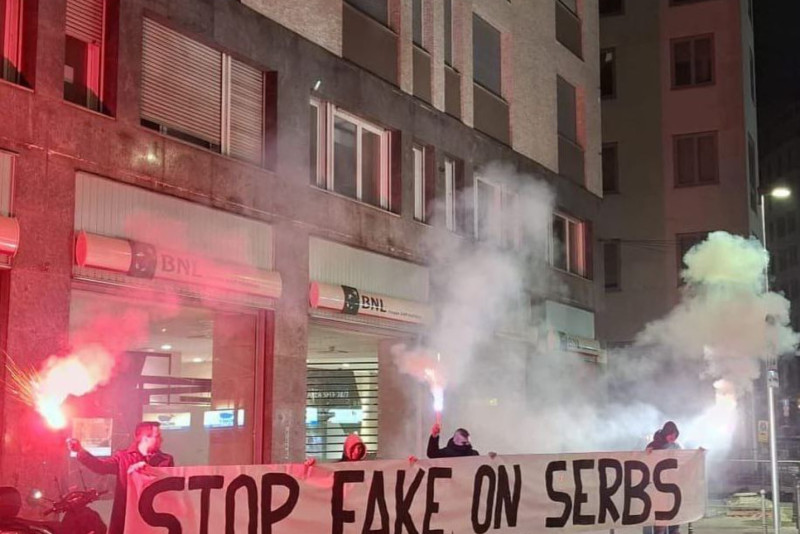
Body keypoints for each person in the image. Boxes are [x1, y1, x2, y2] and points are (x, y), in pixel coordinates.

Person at [67, 421, 174, 534]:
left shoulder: (166, 460)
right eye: (157, 436)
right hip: (126, 514)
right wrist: (80, 451)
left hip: (153, 516)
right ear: (144, 438)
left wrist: (146, 470)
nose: (161, 439)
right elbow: (101, 467)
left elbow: (167, 487)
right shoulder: (123, 457)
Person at [644, 421, 681, 534]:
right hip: (656, 487)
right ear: (666, 433)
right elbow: (645, 462)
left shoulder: (676, 446)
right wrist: (646, 454)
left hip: (672, 485)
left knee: (674, 515)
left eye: (675, 436)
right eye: (671, 435)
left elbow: (684, 460)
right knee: (659, 518)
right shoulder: (653, 445)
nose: (673, 438)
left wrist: (698, 454)